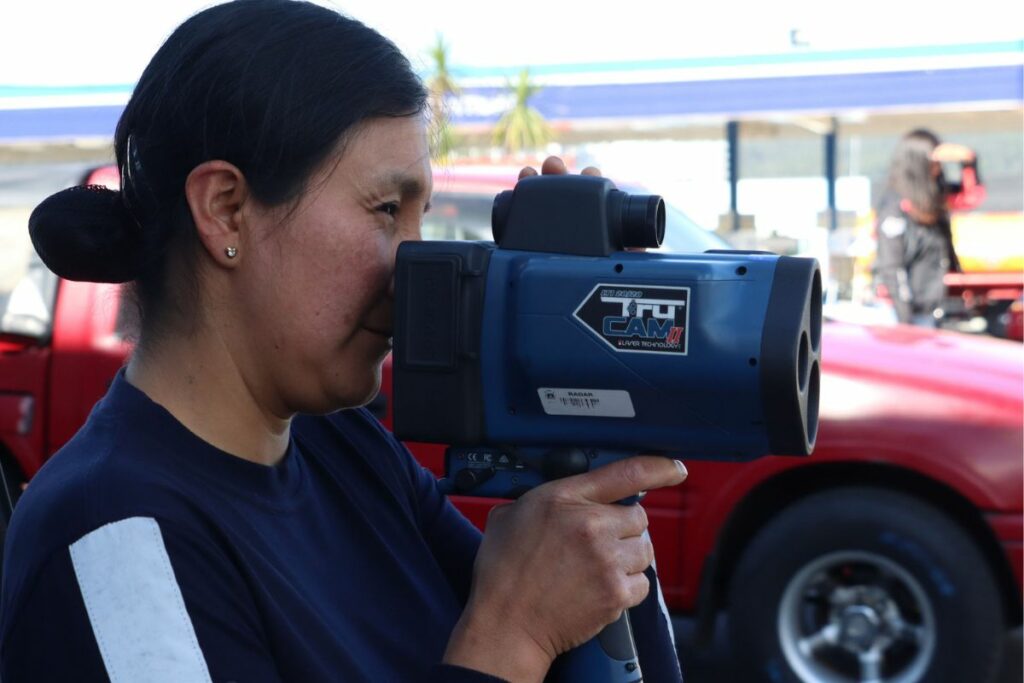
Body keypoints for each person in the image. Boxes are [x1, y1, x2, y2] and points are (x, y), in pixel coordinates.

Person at [0, 1, 687, 682]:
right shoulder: (114, 536)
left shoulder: (349, 451)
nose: (416, 269)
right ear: (225, 209)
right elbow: (516, 636)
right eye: (387, 210)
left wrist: (571, 392)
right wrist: (510, 637)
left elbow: (571, 629)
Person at [873, 128, 981, 327]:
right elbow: (891, 266)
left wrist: (969, 162)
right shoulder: (895, 205)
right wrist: (905, 318)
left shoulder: (933, 200)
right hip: (899, 313)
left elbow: (971, 197)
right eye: (933, 161)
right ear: (918, 163)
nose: (938, 168)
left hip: (928, 310)